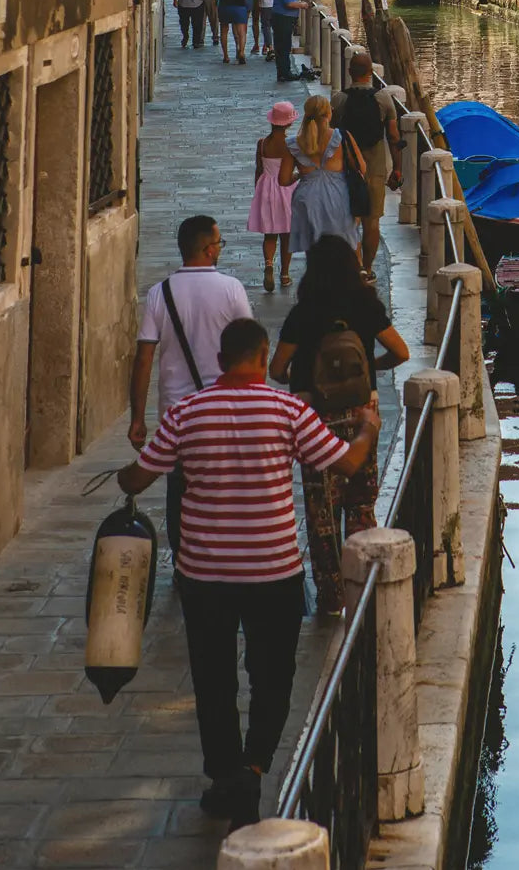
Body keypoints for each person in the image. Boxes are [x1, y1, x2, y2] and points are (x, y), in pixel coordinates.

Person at [118, 318, 380, 829]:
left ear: (220, 361)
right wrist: (368, 426)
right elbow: (348, 464)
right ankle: (254, 767)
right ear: (264, 358)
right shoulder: (289, 411)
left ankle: (226, 776)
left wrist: (122, 477)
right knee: (273, 676)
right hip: (274, 572)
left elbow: (139, 477)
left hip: (205, 576)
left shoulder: (185, 412)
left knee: (212, 678)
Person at [270, 238, 408, 615]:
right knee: (361, 504)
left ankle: (331, 598)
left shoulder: (303, 313)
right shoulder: (366, 305)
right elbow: (401, 352)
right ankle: (363, 587)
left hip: (315, 420)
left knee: (322, 513)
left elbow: (277, 369)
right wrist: (370, 369)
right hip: (363, 416)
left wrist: (303, 383)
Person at [127, 216, 253, 563]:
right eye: (219, 243)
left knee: (179, 486)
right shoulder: (231, 289)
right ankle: (225, 554)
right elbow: (250, 346)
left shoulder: (160, 293)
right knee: (225, 484)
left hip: (177, 411)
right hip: (225, 407)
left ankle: (185, 561)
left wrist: (137, 418)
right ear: (208, 249)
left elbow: (144, 359)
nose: (220, 249)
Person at [331, 51, 402, 270]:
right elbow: (393, 137)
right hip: (375, 168)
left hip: (346, 169)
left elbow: (331, 136)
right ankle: (368, 268)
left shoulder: (339, 100)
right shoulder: (383, 99)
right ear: (371, 72)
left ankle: (355, 266)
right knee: (372, 223)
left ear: (349, 72)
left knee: (349, 222)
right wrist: (397, 169)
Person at [280, 95, 365, 257]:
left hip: (307, 200)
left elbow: (283, 180)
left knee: (314, 251)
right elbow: (361, 167)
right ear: (328, 113)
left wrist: (300, 175)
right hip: (339, 197)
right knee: (347, 244)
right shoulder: (342, 137)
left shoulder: (293, 143)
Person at [248, 100, 298, 291]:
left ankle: (269, 264)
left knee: (270, 234)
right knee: (287, 235)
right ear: (289, 123)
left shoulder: (262, 144)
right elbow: (295, 169)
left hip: (266, 189)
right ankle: (284, 275)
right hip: (287, 190)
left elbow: (259, 169)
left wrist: (258, 192)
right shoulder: (291, 144)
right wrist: (298, 176)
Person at [268, 0, 310, 84]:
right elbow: (289, 4)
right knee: (283, 47)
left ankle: (284, 72)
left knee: (284, 46)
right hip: (282, 19)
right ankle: (284, 73)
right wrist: (302, 5)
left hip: (284, 19)